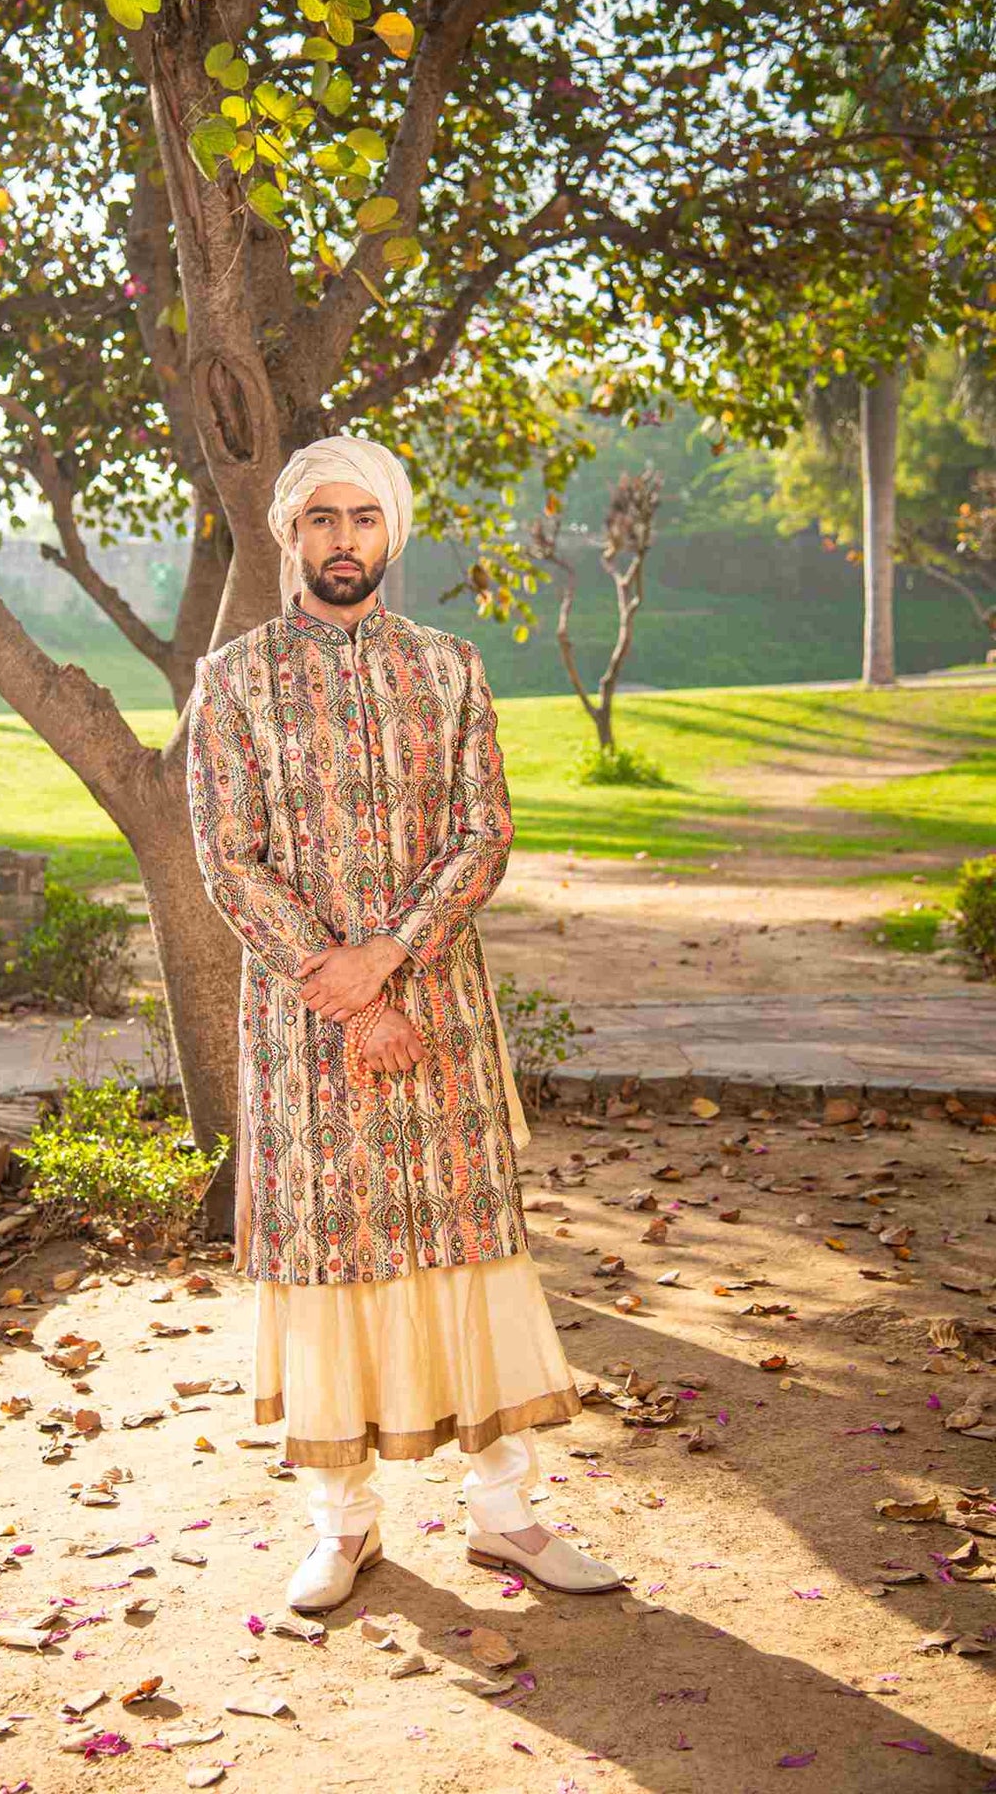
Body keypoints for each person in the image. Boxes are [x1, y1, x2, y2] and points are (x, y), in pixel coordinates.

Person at [186, 434, 624, 1613]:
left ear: (392, 533)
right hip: (305, 1027)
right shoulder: (232, 680)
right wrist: (343, 987)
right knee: (331, 1259)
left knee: (468, 1244)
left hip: (434, 1013)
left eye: (362, 519)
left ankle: (507, 1516)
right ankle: (341, 1527)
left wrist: (389, 961)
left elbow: (482, 832)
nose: (342, 540)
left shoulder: (448, 668)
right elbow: (229, 861)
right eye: (320, 519)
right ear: (288, 535)